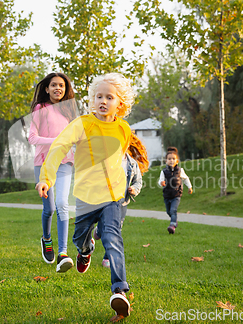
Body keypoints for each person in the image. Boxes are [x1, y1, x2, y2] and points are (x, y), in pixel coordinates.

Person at [35, 73, 135, 318]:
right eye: (98, 96)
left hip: (112, 197)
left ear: (120, 103)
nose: (102, 101)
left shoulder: (124, 129)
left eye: (109, 97)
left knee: (113, 238)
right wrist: (46, 178)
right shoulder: (82, 124)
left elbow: (121, 159)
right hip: (86, 197)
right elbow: (58, 147)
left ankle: (119, 290)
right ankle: (85, 249)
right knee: (79, 238)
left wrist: (126, 188)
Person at [28, 72, 77, 273]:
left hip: (65, 162)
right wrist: (56, 142)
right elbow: (32, 137)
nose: (58, 88)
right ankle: (46, 239)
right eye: (54, 85)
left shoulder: (70, 111)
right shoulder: (40, 109)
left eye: (62, 86)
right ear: (46, 88)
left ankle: (63, 253)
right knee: (49, 209)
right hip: (43, 163)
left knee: (63, 204)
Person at [94, 132, 149, 268]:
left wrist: (134, 189)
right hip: (106, 201)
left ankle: (108, 257)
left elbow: (138, 181)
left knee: (115, 230)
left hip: (122, 203)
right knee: (103, 227)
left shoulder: (132, 164)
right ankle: (99, 231)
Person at [158, 146, 193, 234]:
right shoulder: (164, 171)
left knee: (173, 210)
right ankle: (174, 220)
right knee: (168, 211)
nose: (171, 160)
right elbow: (160, 180)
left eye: (173, 159)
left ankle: (172, 225)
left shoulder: (180, 170)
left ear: (177, 161)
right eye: (169, 159)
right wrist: (161, 183)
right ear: (166, 161)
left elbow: (185, 179)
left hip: (176, 194)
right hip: (167, 195)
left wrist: (190, 187)